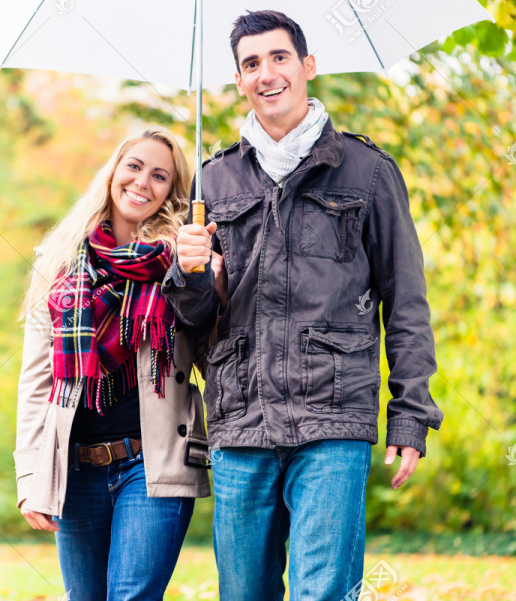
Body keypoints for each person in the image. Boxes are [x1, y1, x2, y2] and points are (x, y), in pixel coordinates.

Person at [162, 10, 444, 601]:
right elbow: (193, 322)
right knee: (244, 593)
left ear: (307, 65)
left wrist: (410, 413)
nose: (267, 73)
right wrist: (186, 274)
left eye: (279, 57)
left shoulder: (367, 171)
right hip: (241, 419)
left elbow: (407, 300)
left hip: (334, 414)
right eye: (251, 63)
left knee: (325, 592)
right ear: (239, 81)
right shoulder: (212, 183)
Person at [14, 126, 212, 600]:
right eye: (135, 167)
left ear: (171, 191)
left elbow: (209, 339)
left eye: (160, 176)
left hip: (151, 464)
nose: (143, 182)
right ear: (113, 173)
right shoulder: (61, 260)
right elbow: (36, 380)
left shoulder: (181, 260)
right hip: (74, 467)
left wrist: (199, 275)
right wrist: (29, 475)